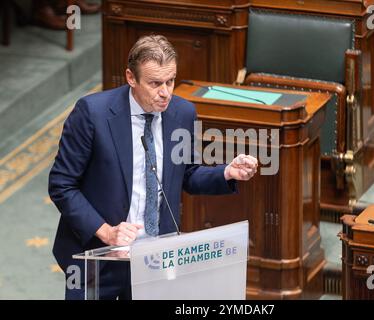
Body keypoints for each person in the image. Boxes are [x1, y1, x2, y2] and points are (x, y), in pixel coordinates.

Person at [48, 35, 258, 300]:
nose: (165, 92)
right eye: (155, 83)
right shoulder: (92, 113)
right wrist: (106, 231)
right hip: (98, 258)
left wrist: (227, 172)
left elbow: (188, 173)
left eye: (170, 81)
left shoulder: (182, 113)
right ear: (131, 78)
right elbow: (61, 185)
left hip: (154, 260)